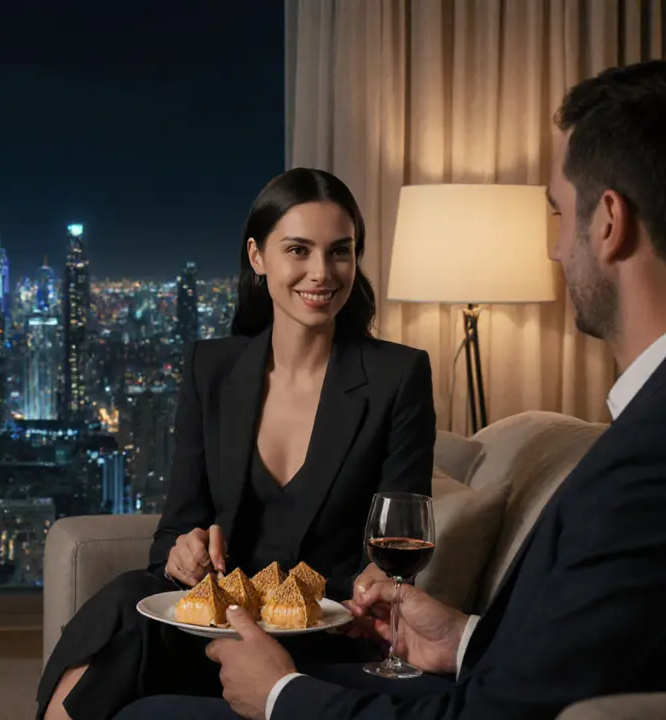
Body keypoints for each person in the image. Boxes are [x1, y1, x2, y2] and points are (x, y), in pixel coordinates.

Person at [114, 59, 666, 720]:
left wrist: (282, 697)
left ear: (608, 222)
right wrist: (466, 636)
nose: (551, 243)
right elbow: (615, 646)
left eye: (556, 211)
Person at [36, 167, 437, 720]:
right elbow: (175, 533)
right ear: (258, 257)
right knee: (131, 597)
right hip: (215, 632)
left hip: (326, 638)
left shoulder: (399, 376)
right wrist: (183, 554)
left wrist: (377, 582)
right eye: (298, 249)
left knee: (126, 636)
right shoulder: (213, 369)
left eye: (339, 252)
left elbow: (402, 531)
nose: (321, 272)